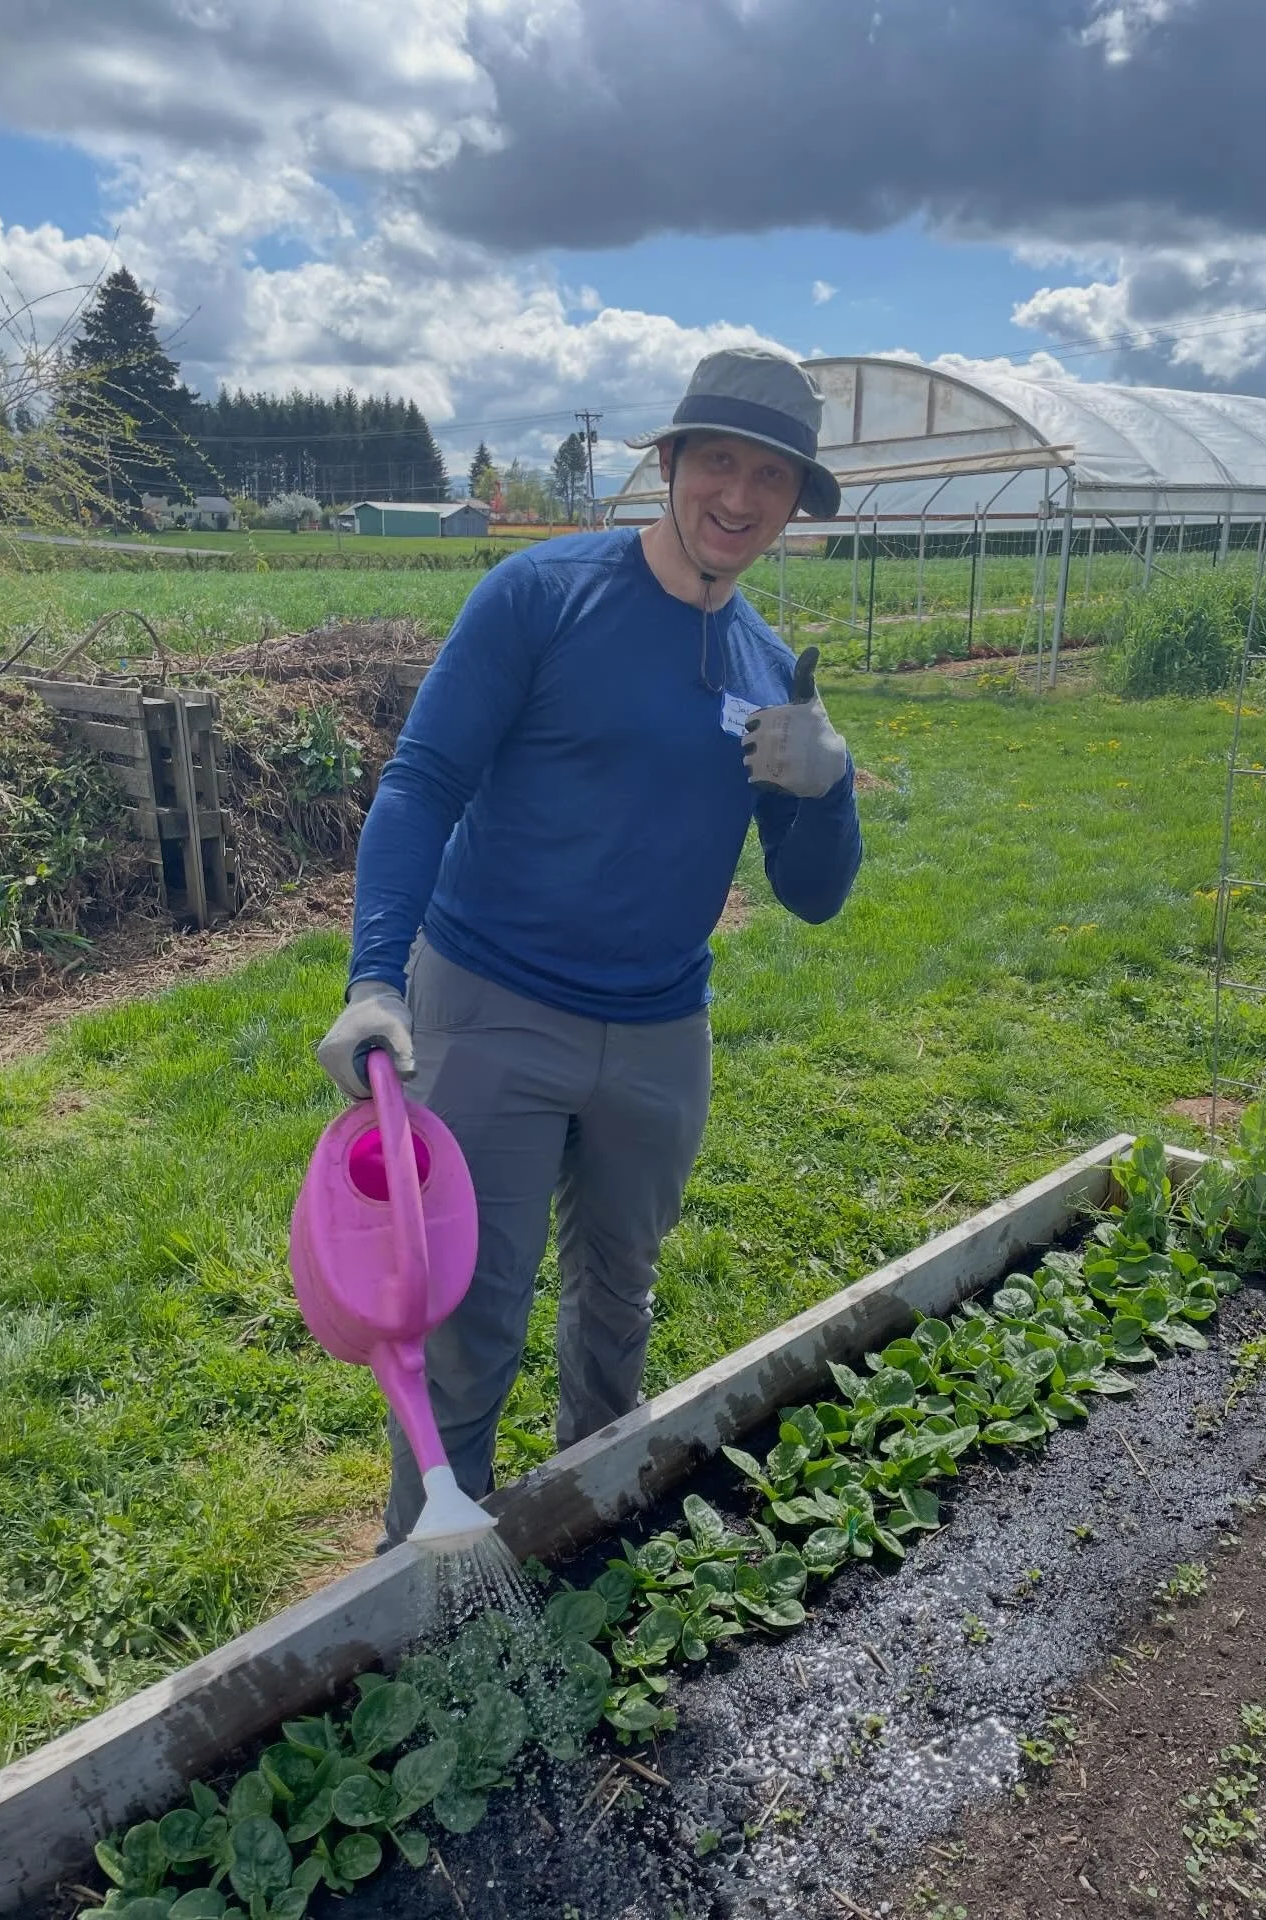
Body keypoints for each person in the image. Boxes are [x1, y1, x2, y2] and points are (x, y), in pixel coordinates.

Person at [316, 347, 863, 1542]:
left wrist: (830, 787)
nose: (740, 496)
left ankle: (589, 1525)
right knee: (469, 1324)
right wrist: (374, 978)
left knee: (618, 1301)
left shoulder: (772, 676)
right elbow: (421, 783)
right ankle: (424, 1579)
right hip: (493, 1002)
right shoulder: (541, 596)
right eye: (717, 460)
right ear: (667, 463)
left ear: (796, 503)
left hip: (662, 1026)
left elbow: (814, 896)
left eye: (772, 476)